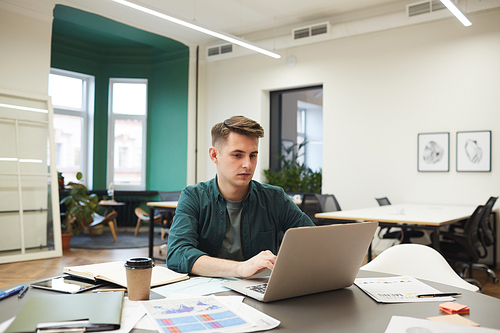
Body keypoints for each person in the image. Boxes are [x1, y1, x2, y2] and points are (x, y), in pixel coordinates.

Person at [166, 115, 315, 277]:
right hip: (208, 296)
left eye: (253, 155)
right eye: (237, 155)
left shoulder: (274, 198)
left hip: (260, 292)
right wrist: (240, 268)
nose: (248, 164)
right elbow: (177, 253)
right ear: (214, 155)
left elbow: (314, 242)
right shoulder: (194, 196)